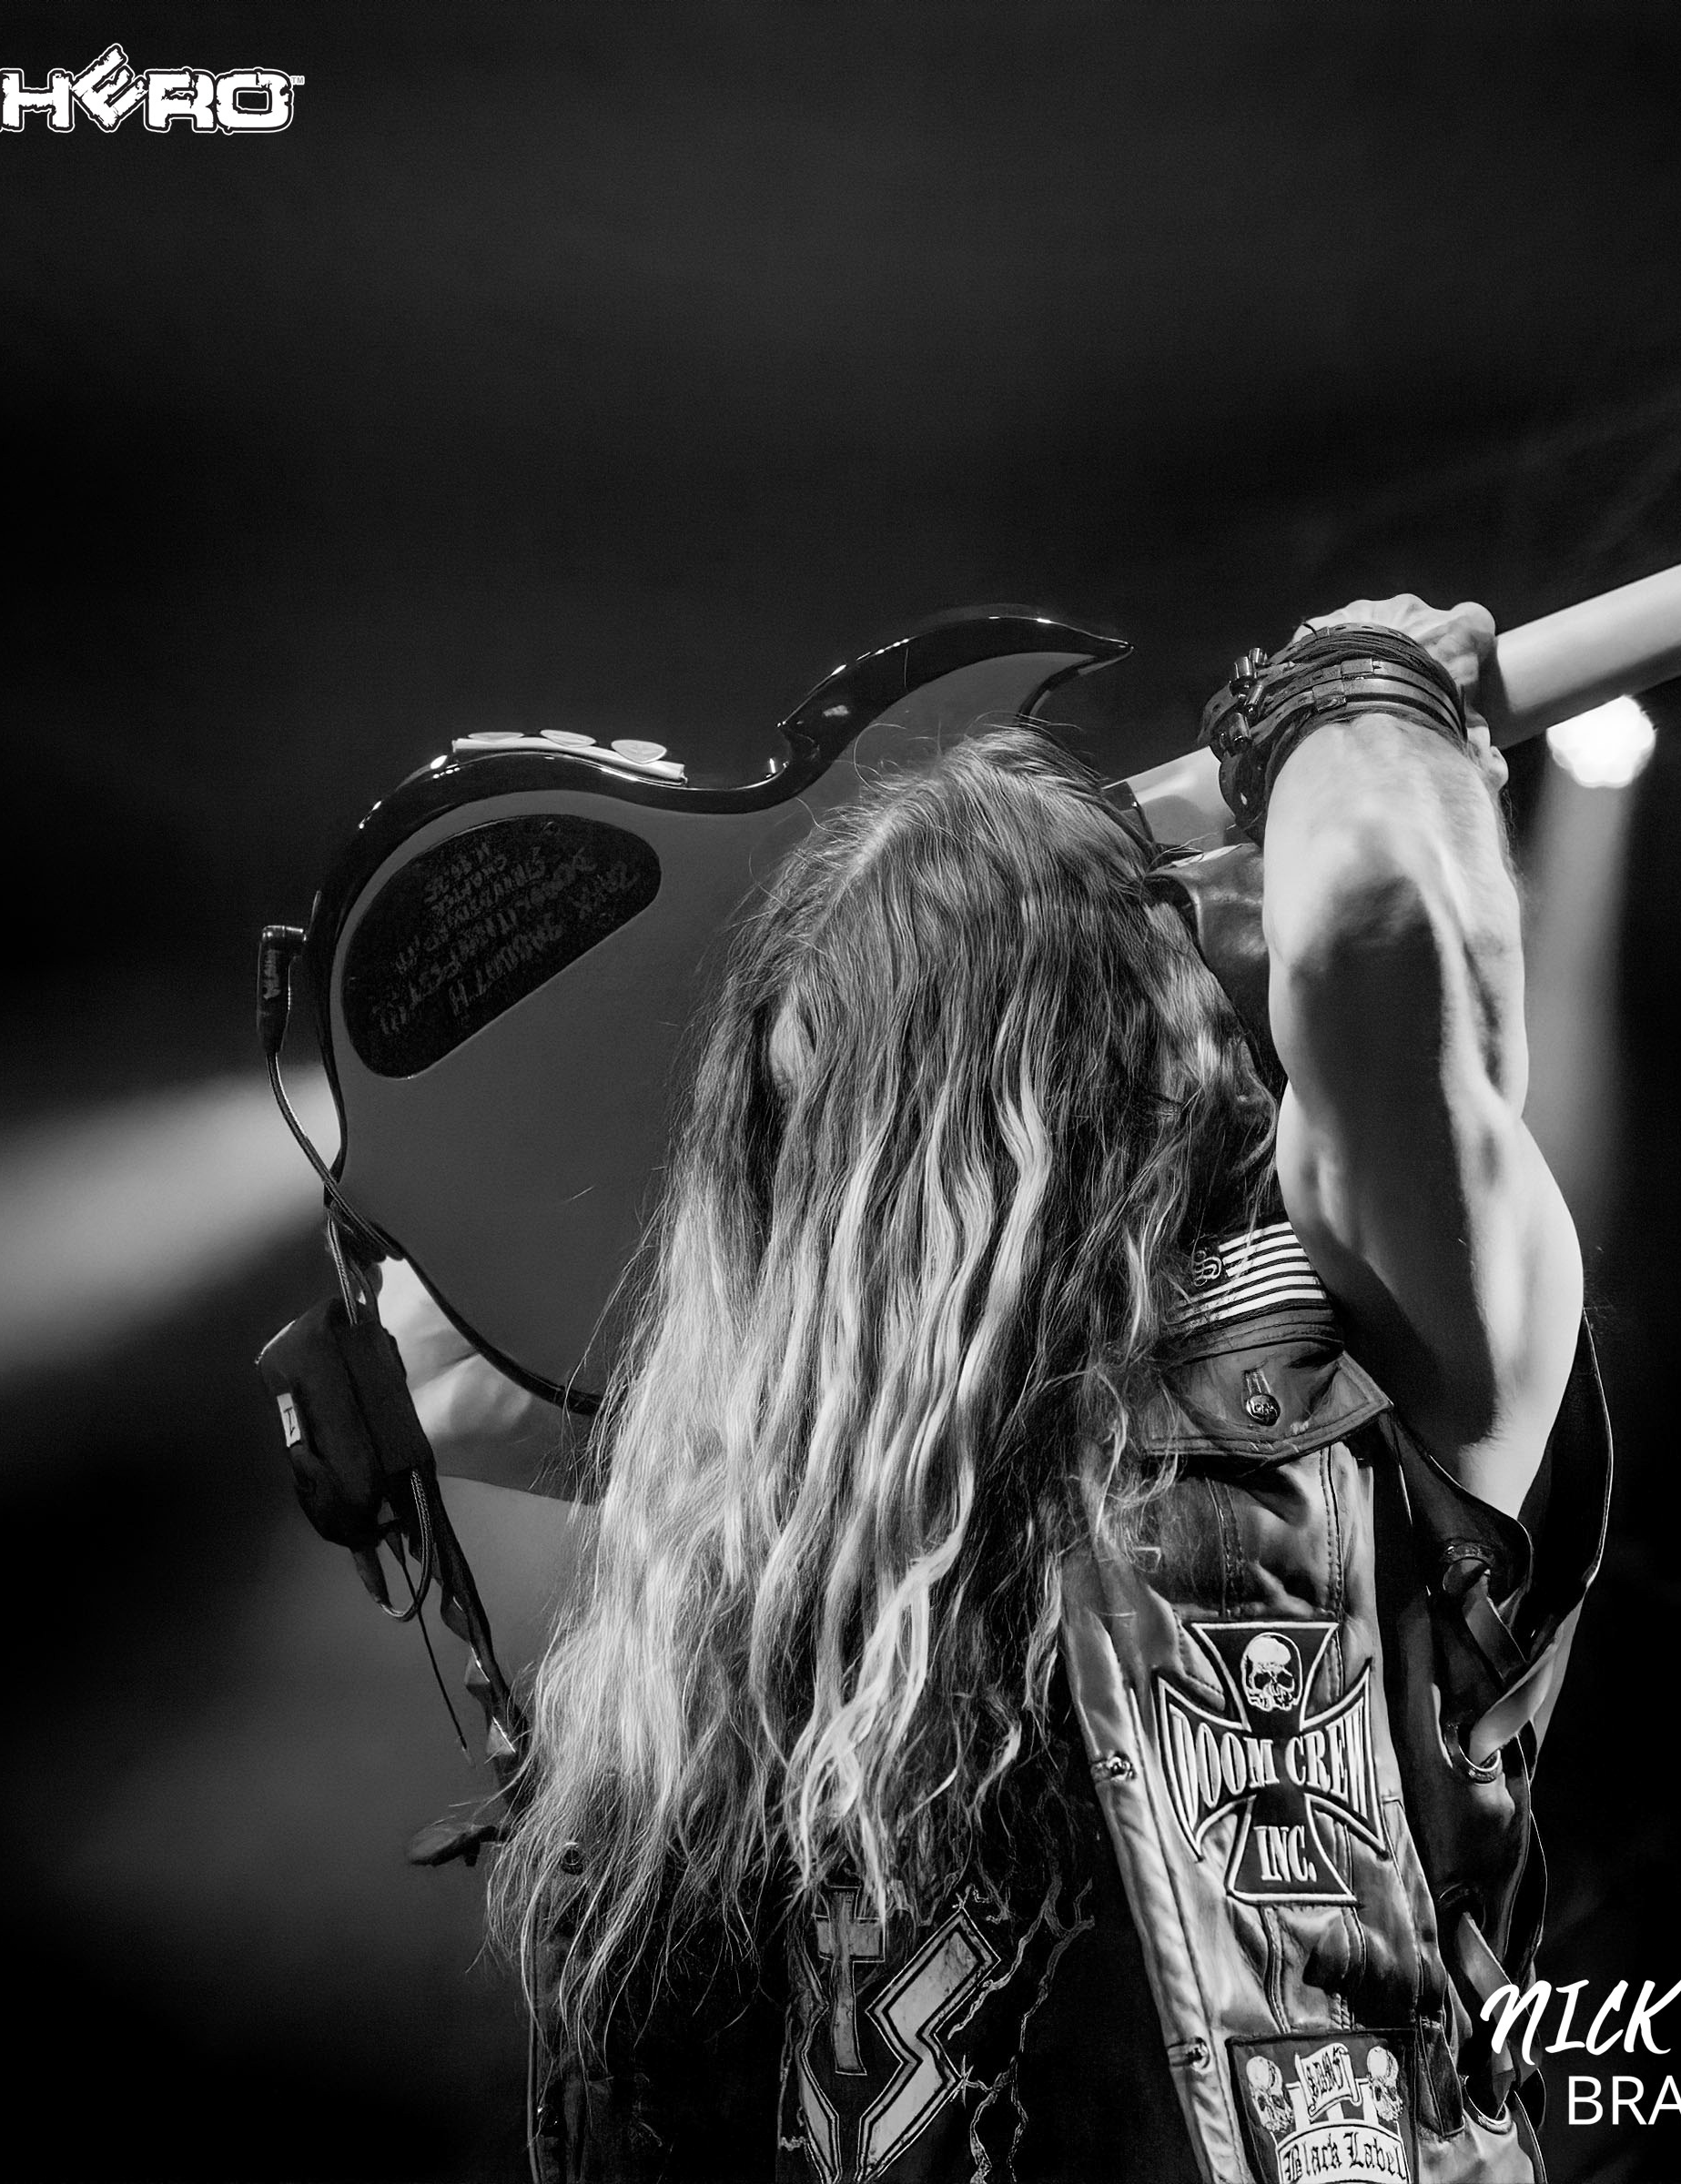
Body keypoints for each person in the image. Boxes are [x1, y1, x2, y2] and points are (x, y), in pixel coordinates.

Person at [485, 596, 1609, 2183]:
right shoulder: (777, 1553)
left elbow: (1369, 923)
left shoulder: (1329, 1337)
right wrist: (1356, 698)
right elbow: (451, 1365)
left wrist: (1352, 694)